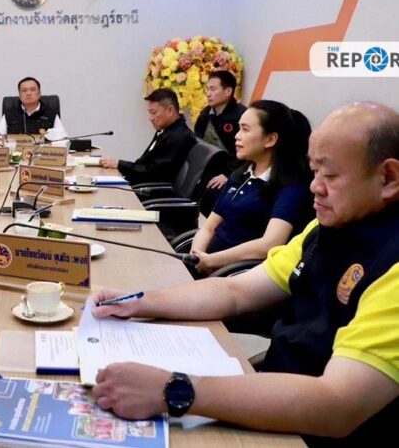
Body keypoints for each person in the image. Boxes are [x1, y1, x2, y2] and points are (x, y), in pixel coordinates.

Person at [91, 102, 399, 446]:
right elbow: (236, 291)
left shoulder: (392, 264)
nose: (315, 187)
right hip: (274, 402)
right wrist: (141, 302)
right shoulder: (327, 227)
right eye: (314, 172)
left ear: (388, 178)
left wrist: (174, 389)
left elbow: (337, 404)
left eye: (330, 176)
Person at [190, 100, 313, 277]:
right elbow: (208, 228)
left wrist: (212, 261)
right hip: (206, 264)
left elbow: (269, 244)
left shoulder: (291, 186)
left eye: (245, 129)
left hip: (233, 276)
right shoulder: (240, 174)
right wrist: (196, 256)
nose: (237, 136)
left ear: (270, 139)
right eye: (239, 128)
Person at [100, 89, 196, 185]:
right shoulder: (166, 131)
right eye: (149, 113)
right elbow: (144, 163)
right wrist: (120, 165)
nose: (150, 118)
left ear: (170, 110)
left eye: (154, 113)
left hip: (151, 189)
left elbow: (153, 173)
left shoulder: (178, 137)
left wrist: (119, 164)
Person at [194, 70, 247, 190]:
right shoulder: (205, 113)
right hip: (207, 170)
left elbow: (247, 151)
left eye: (213, 89)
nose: (208, 94)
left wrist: (228, 174)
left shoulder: (242, 115)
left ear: (228, 91)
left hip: (232, 174)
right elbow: (197, 142)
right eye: (207, 89)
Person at [0, 76, 65, 137]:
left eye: (32, 90)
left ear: (39, 93)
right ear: (19, 95)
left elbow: (63, 140)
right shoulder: (9, 115)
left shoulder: (51, 115)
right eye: (24, 90)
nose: (28, 93)